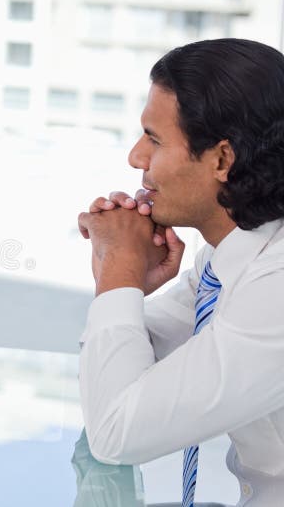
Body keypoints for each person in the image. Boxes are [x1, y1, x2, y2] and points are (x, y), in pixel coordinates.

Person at [77, 38, 284, 506]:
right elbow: (117, 372)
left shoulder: (276, 289)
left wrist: (120, 273)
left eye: (154, 139)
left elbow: (115, 434)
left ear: (222, 161)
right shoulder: (226, 257)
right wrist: (122, 279)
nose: (135, 157)